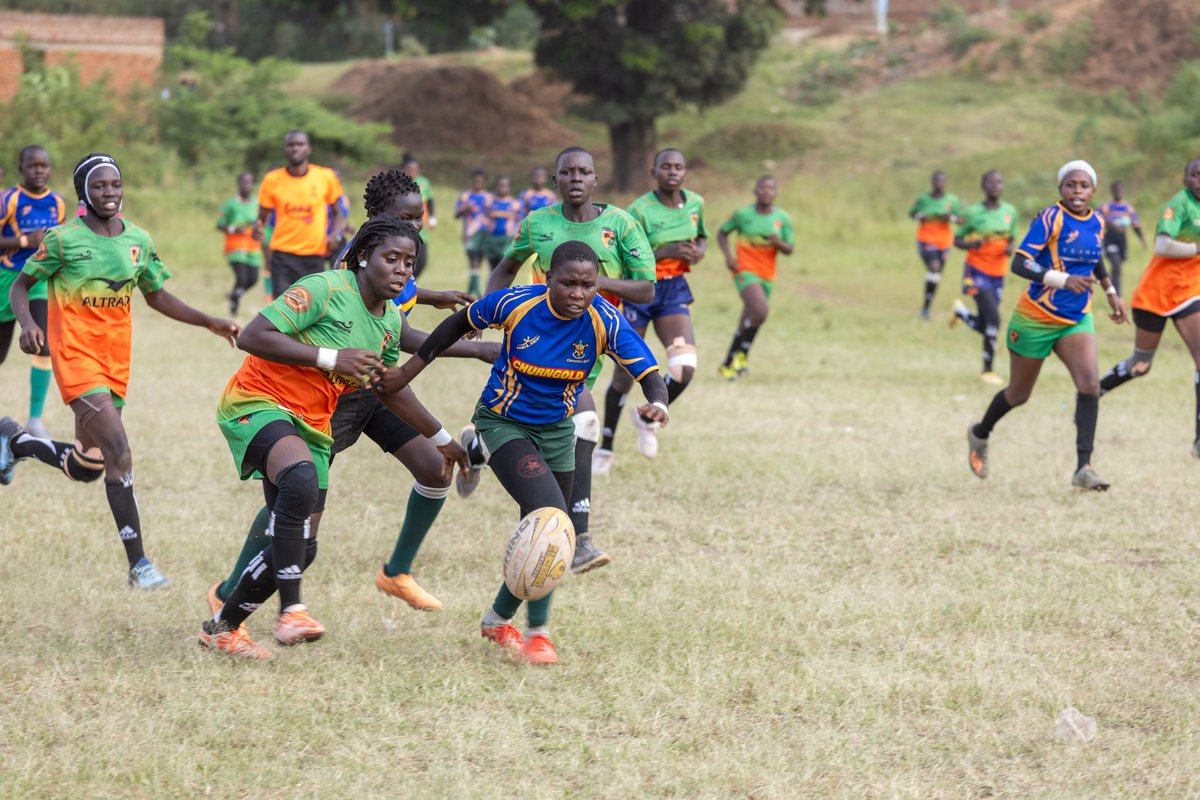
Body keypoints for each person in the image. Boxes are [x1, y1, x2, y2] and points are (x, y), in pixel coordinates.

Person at [205, 169, 497, 622]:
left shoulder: (397, 262)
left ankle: (396, 571)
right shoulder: (346, 273)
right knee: (295, 499)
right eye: (406, 219)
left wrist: (440, 304)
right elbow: (394, 335)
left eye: (419, 221)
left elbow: (393, 333)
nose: (415, 230)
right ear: (374, 229)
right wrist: (475, 348)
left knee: (432, 470)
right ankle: (233, 595)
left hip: (368, 384)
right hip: (330, 395)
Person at [375, 241, 669, 664]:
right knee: (551, 516)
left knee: (552, 534)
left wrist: (657, 404)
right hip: (503, 422)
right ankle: (538, 634)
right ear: (547, 279)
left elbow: (649, 372)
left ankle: (498, 620)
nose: (577, 294)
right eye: (567, 283)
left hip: (556, 432)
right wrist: (406, 371)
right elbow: (455, 324)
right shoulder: (517, 305)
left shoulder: (606, 319)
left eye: (587, 285)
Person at [0, 152, 239, 588]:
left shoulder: (139, 241)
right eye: (99, 186)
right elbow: (21, 284)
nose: (109, 193)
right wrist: (30, 324)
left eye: (115, 184)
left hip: (115, 361)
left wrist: (209, 320)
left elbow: (158, 296)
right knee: (119, 450)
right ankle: (139, 565)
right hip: (75, 357)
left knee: (86, 466)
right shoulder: (62, 240)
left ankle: (15, 440)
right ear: (83, 194)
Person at [483, 145, 655, 575]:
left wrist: (593, 283)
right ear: (555, 180)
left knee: (560, 426)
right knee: (584, 422)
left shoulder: (622, 224)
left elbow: (647, 289)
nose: (576, 178)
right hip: (543, 345)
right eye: (567, 171)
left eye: (584, 171)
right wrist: (489, 312)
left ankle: (476, 447)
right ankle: (577, 538)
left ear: (595, 179)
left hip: (595, 339)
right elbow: (507, 266)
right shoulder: (537, 223)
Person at [966, 160, 1126, 491]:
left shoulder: (1098, 220)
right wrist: (1063, 279)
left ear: (1093, 190)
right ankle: (980, 433)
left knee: (1089, 385)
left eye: (1083, 185)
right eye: (1071, 185)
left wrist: (1111, 291)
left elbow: (1094, 256)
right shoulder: (1049, 218)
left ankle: (1084, 467)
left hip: (1076, 318)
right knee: (1018, 394)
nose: (1077, 190)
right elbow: (1020, 262)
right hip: (1035, 318)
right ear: (1061, 189)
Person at [596, 147, 705, 472]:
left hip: (673, 290)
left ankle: (647, 416)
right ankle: (605, 446)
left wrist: (697, 252)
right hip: (640, 290)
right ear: (654, 171)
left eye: (679, 167)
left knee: (684, 366)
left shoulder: (696, 203)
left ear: (685, 172)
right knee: (626, 374)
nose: (673, 172)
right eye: (666, 166)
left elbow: (701, 238)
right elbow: (629, 257)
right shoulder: (639, 210)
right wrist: (667, 250)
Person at [1098, 158, 1200, 456]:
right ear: (1186, 180)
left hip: (1189, 294)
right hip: (1155, 295)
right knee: (1141, 366)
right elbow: (1162, 246)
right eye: (1196, 175)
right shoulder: (1178, 205)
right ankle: (1094, 390)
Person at [0, 145, 68, 439]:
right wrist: (27, 240)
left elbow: (64, 241)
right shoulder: (8, 200)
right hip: (6, 280)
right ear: (21, 169)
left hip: (39, 281)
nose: (39, 171)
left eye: (44, 165)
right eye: (33, 166)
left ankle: (35, 420)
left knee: (44, 345)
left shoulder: (58, 203)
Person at [715, 175, 794, 380]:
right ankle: (742, 355)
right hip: (744, 270)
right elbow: (722, 233)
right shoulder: (742, 214)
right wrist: (728, 257)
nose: (767, 191)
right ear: (756, 191)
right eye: (763, 188)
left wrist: (778, 243)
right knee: (761, 310)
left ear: (776, 193)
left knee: (751, 318)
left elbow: (789, 249)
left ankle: (728, 363)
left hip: (767, 275)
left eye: (771, 188)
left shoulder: (782, 218)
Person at [253, 130, 346, 295]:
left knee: (311, 311)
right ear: (285, 150)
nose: (295, 148)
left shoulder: (325, 177)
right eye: (291, 145)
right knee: (282, 313)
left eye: (300, 144)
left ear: (308, 149)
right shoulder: (272, 180)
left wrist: (335, 234)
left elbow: (338, 211)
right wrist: (257, 226)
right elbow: (262, 216)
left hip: (314, 256)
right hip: (282, 256)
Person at [950, 170, 1018, 386]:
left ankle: (960, 313)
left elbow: (1012, 236)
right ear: (983, 186)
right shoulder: (973, 213)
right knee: (995, 320)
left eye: (999, 182)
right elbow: (957, 239)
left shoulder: (1010, 211)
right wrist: (971, 244)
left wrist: (1010, 247)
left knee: (987, 322)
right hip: (976, 271)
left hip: (998, 273)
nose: (996, 186)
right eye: (991, 182)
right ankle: (987, 370)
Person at [909, 170, 961, 320]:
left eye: (942, 180)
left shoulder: (952, 200)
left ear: (945, 183)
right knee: (934, 267)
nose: (939, 183)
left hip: (944, 242)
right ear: (932, 182)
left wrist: (950, 217)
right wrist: (921, 216)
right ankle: (925, 308)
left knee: (936, 275)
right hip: (926, 239)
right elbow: (912, 213)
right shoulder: (923, 199)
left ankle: (926, 305)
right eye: (936, 180)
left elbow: (960, 219)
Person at [216, 170, 262, 315]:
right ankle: (233, 308)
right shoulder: (231, 204)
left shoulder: (257, 203)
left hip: (253, 247)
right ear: (238, 184)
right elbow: (219, 224)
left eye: (249, 182)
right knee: (242, 278)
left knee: (253, 279)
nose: (246, 186)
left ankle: (234, 294)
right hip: (236, 247)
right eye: (244, 182)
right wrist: (233, 228)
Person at [1097, 181, 1146, 296]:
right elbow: (1097, 221)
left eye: (1120, 190)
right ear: (1112, 191)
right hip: (1110, 238)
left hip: (1122, 241)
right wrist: (1109, 224)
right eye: (1116, 190)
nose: (1118, 193)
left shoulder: (1128, 208)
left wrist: (1142, 238)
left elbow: (1135, 224)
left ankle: (1114, 289)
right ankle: (1115, 293)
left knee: (1118, 267)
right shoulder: (1106, 206)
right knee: (1116, 264)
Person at [455, 168, 492, 296]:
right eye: (475, 180)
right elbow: (456, 214)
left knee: (483, 261)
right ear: (471, 181)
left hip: (486, 234)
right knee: (474, 261)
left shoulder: (489, 197)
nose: (478, 183)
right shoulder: (465, 196)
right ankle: (475, 290)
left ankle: (476, 290)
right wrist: (464, 208)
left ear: (484, 182)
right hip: (470, 233)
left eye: (480, 181)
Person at [402, 153, 436, 279]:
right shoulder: (400, 182)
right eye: (410, 169)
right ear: (404, 169)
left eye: (416, 169)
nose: (413, 172)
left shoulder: (424, 182)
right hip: (405, 227)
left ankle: (409, 283)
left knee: (422, 261)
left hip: (420, 226)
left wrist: (432, 218)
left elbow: (430, 200)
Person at [484, 176, 521, 270]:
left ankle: (501, 284)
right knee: (492, 266)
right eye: (500, 185)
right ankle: (491, 283)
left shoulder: (515, 204)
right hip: (492, 238)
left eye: (505, 186)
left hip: (506, 239)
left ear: (510, 187)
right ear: (495, 187)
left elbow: (520, 221)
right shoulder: (490, 202)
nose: (502, 188)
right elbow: (483, 217)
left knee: (503, 265)